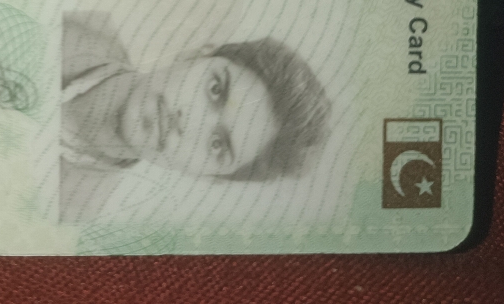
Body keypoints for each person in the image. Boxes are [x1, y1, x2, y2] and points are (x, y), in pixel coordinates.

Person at [60, 12, 330, 220]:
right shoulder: (74, 15)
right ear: (196, 54)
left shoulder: (69, 216)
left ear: (205, 176)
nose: (188, 122)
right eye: (215, 90)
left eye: (217, 144)